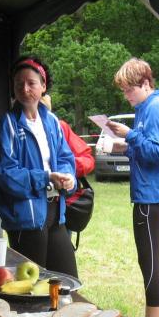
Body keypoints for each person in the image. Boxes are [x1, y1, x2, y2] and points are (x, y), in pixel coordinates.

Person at [106, 58, 159, 317]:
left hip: (154, 194)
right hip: (151, 192)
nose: (126, 96)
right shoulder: (145, 108)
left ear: (146, 84)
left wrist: (130, 136)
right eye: (124, 90)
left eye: (130, 89)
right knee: (147, 258)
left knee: (149, 260)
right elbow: (146, 148)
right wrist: (125, 147)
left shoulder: (156, 108)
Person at [0, 56, 78, 276]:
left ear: (43, 86)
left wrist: (68, 177)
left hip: (55, 213)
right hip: (25, 218)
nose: (24, 89)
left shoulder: (52, 122)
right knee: (33, 286)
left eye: (31, 83)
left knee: (67, 280)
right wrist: (46, 178)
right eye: (19, 83)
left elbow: (65, 158)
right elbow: (5, 175)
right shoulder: (8, 124)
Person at [39, 94, 95, 238]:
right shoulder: (14, 126)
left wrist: (68, 170)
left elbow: (87, 159)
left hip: (61, 208)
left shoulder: (60, 127)